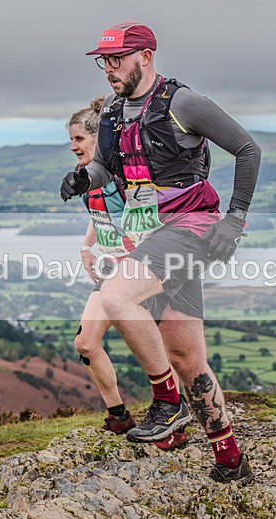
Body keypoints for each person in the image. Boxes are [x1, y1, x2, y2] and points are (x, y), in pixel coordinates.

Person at [60, 21, 261, 484]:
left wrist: (235, 219)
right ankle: (230, 458)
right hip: (151, 231)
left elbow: (248, 150)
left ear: (145, 56)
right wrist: (82, 179)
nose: (109, 69)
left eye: (118, 59)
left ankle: (167, 403)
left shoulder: (183, 103)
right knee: (186, 355)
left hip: (193, 227)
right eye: (104, 61)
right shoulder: (112, 112)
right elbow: (108, 169)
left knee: (116, 295)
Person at [67, 98, 187, 450]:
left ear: (97, 141)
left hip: (143, 272)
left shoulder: (122, 173)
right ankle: (119, 416)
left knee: (167, 351)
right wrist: (87, 248)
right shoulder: (86, 179)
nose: (73, 147)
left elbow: (156, 211)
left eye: (79, 139)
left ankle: (174, 426)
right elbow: (98, 215)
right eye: (71, 140)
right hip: (110, 273)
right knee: (85, 343)